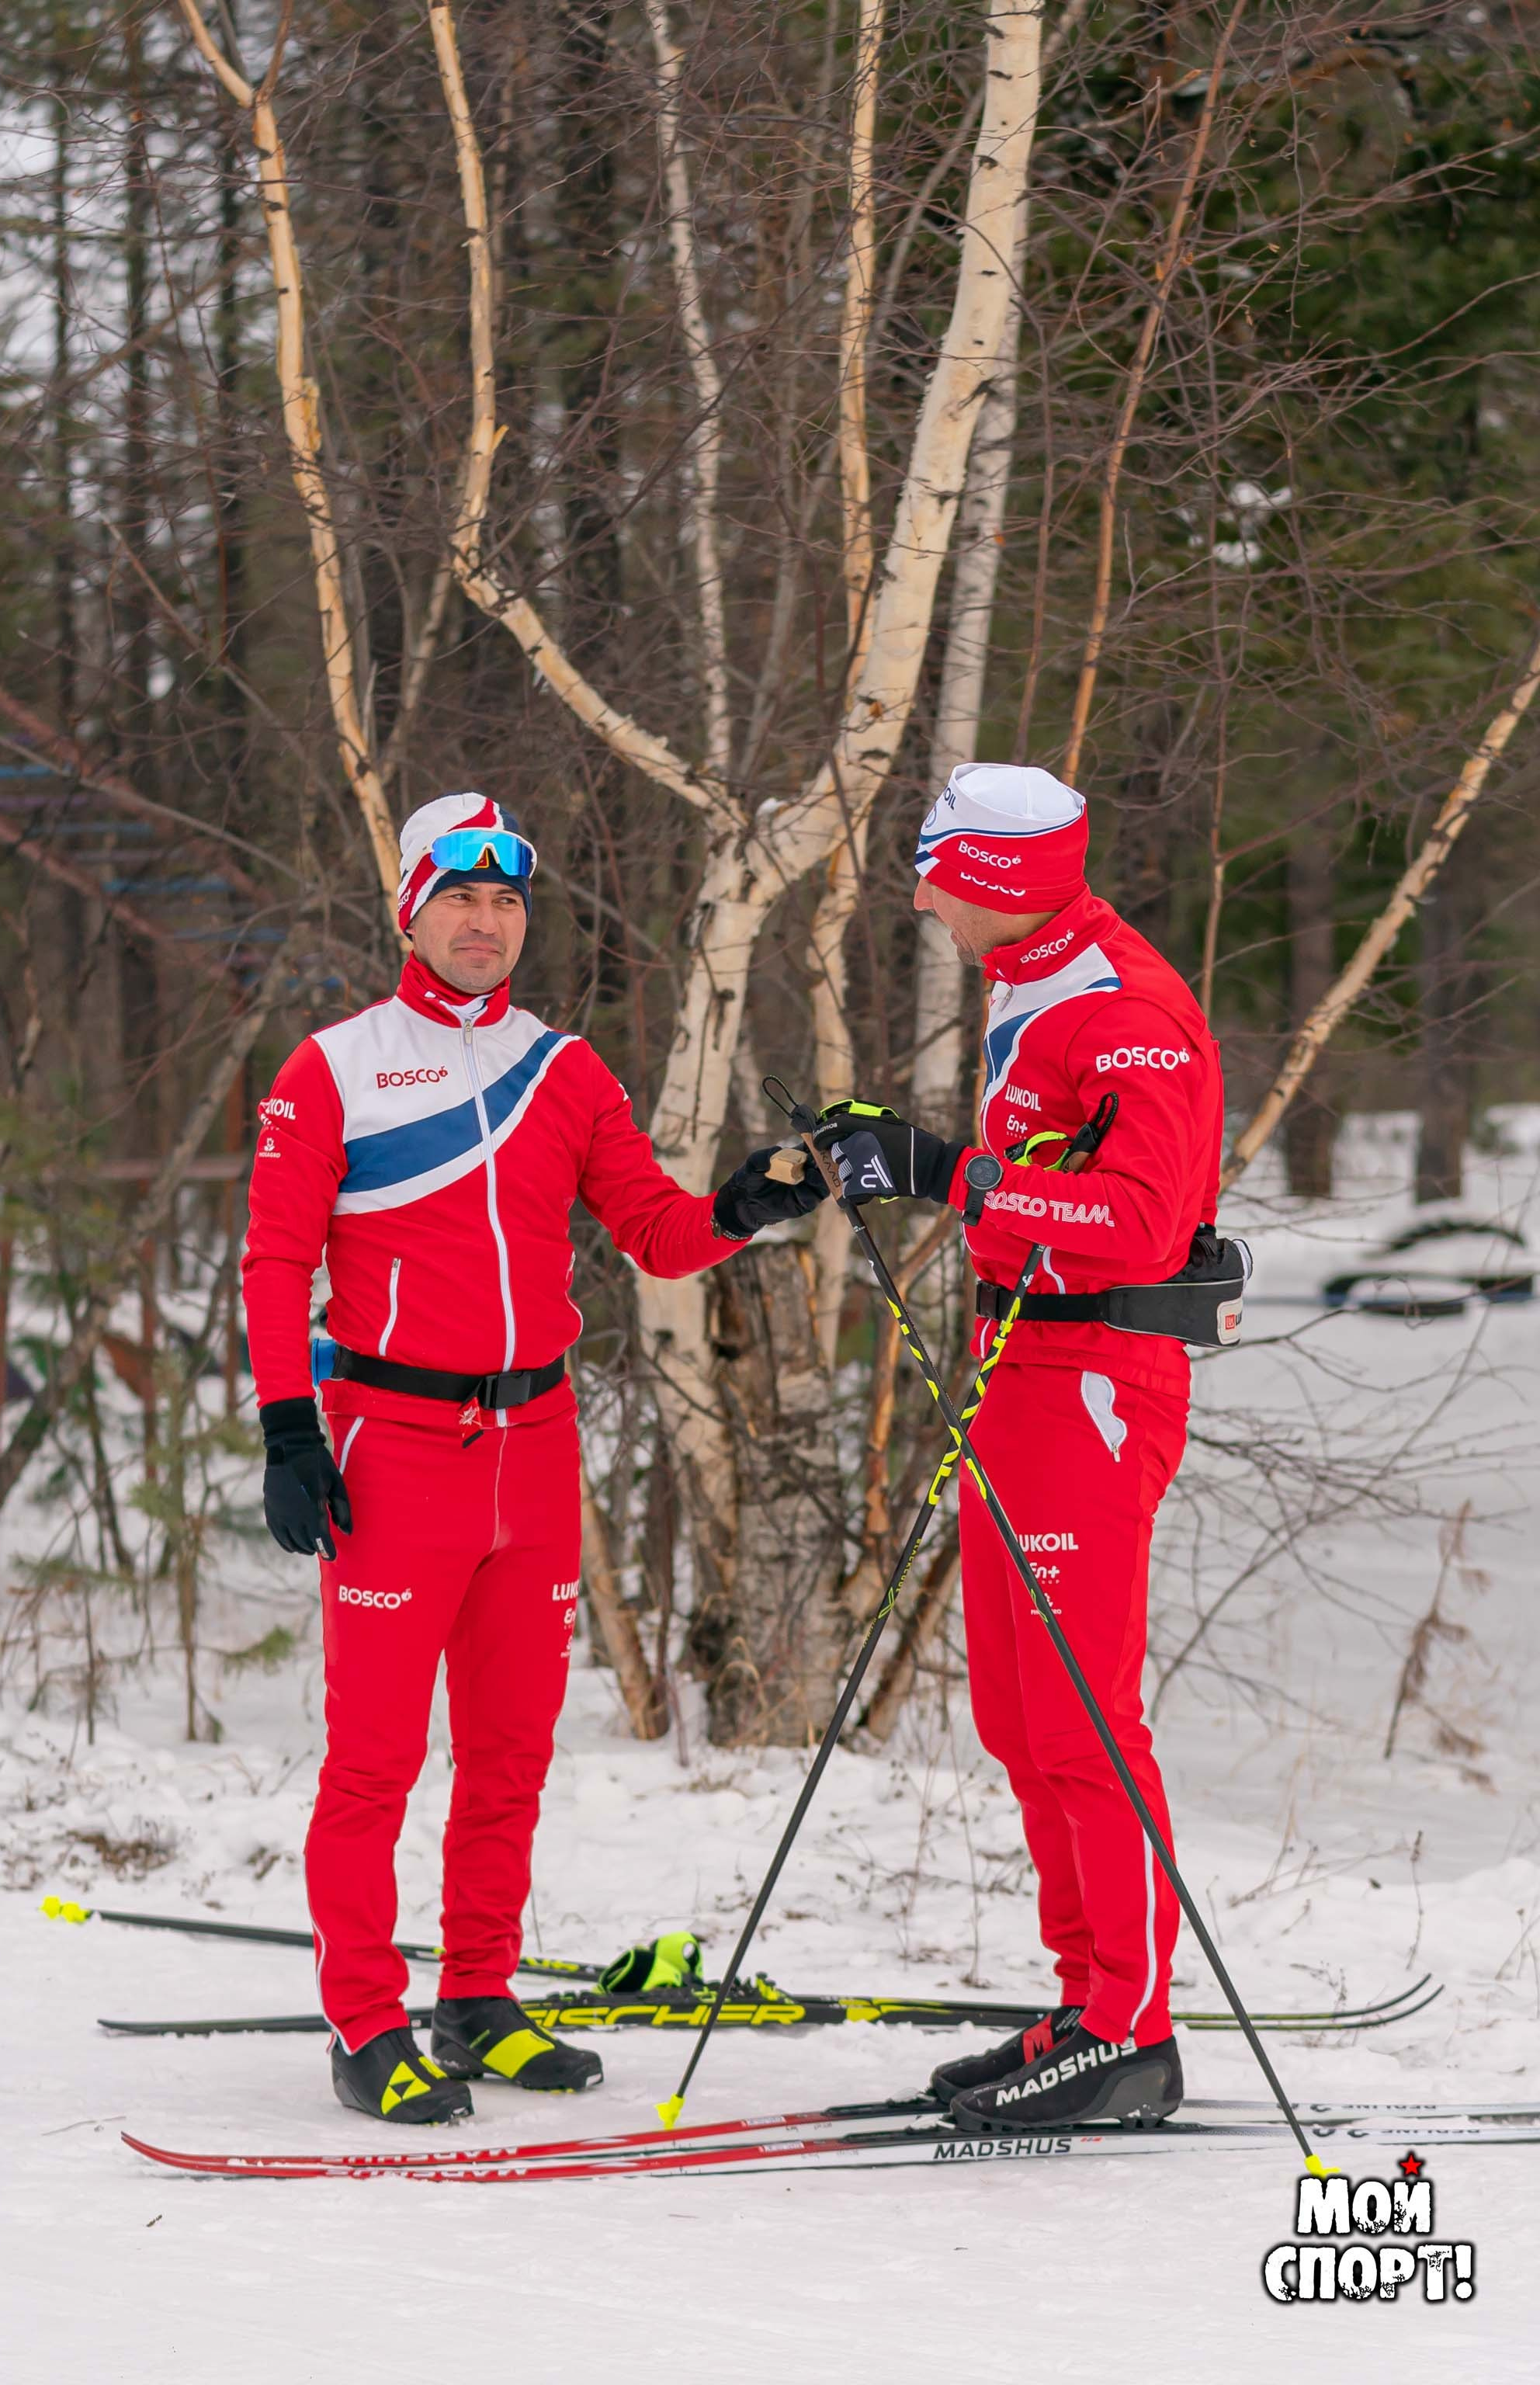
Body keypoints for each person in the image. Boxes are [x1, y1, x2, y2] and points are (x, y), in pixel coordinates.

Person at [242, 793, 823, 2122]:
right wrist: (288, 1428)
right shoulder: (332, 1067)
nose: (486, 922)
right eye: (460, 896)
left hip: (537, 1447)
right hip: (395, 1447)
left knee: (509, 1754)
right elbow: (276, 1260)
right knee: (374, 1760)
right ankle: (366, 2023)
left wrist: (750, 1203)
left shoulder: (566, 1071)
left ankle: (479, 1998)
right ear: (412, 908)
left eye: (507, 902)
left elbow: (659, 1233)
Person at [814, 762, 1226, 2134]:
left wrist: (941, 1171)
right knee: (1015, 1708)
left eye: (935, 870)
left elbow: (1137, 1225)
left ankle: (1132, 2032)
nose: (922, 893)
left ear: (990, 878)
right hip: (1022, 1361)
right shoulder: (1033, 974)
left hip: (1098, 1373)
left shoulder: (1125, 1010)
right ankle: (1088, 2001)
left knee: (1083, 1713)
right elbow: (1042, 1170)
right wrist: (908, 1154)